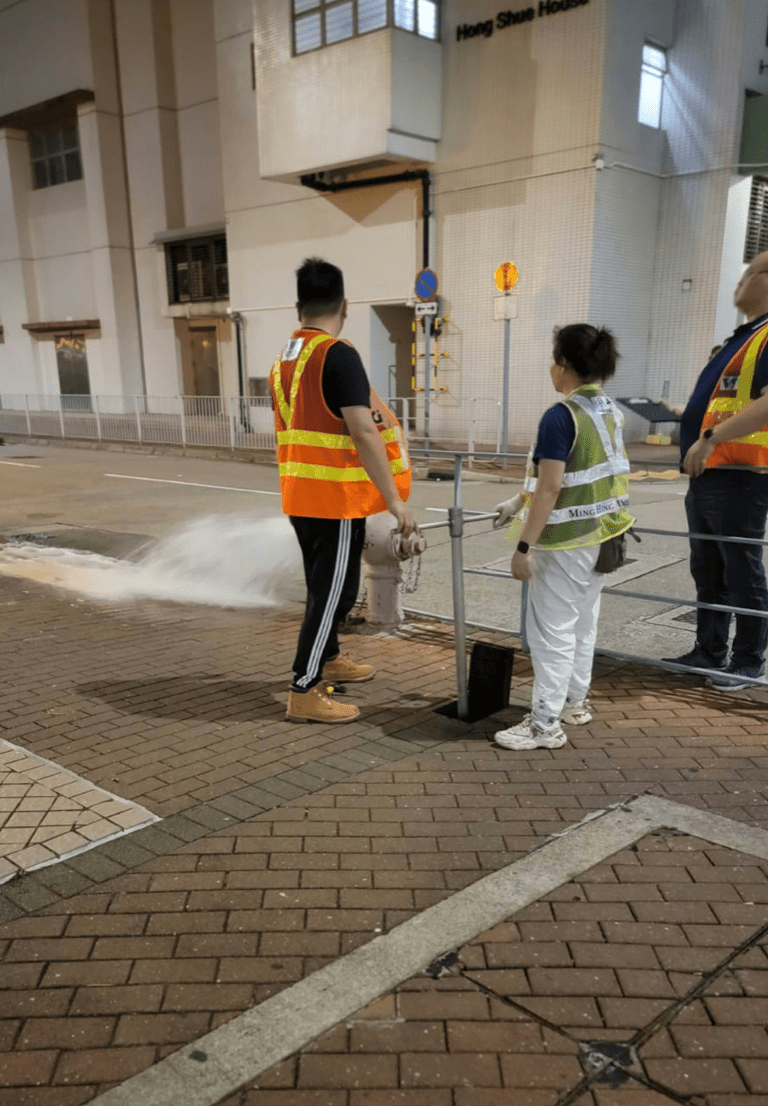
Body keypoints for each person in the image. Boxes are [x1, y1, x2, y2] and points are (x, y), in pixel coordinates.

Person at [269, 257, 418, 724]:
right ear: (345, 306)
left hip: (303, 494)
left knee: (329, 587)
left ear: (299, 308)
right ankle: (305, 688)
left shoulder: (285, 360)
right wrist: (395, 500)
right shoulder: (337, 354)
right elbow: (363, 431)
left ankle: (330, 656)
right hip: (330, 501)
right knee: (332, 593)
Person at [492, 324, 633, 750]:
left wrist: (523, 545)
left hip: (565, 542)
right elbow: (576, 476)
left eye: (553, 359)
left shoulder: (561, 415)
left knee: (552, 632)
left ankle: (544, 724)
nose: (550, 369)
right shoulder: (610, 409)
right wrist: (519, 500)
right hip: (605, 536)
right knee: (582, 624)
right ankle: (574, 703)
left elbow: (552, 487)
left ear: (564, 365)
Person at [661, 250, 768, 689]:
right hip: (711, 475)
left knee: (742, 570)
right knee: (708, 570)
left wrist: (709, 440)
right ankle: (708, 651)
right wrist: (685, 415)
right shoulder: (741, 338)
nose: (738, 282)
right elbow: (726, 404)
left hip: (741, 476)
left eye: (748, 273)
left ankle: (748, 660)